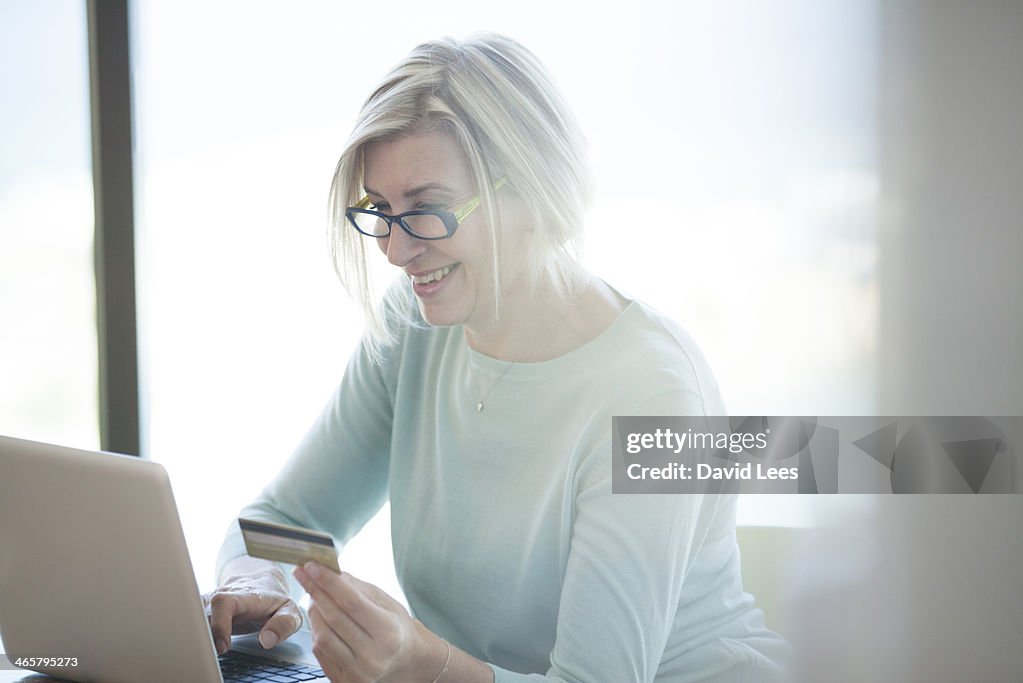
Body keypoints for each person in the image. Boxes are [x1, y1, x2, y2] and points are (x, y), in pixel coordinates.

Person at [209, 32, 789, 683]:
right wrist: (254, 577)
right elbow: (281, 523)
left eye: (427, 209)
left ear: (531, 193)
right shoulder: (417, 326)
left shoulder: (653, 393)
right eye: (381, 210)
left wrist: (424, 665)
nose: (397, 254)